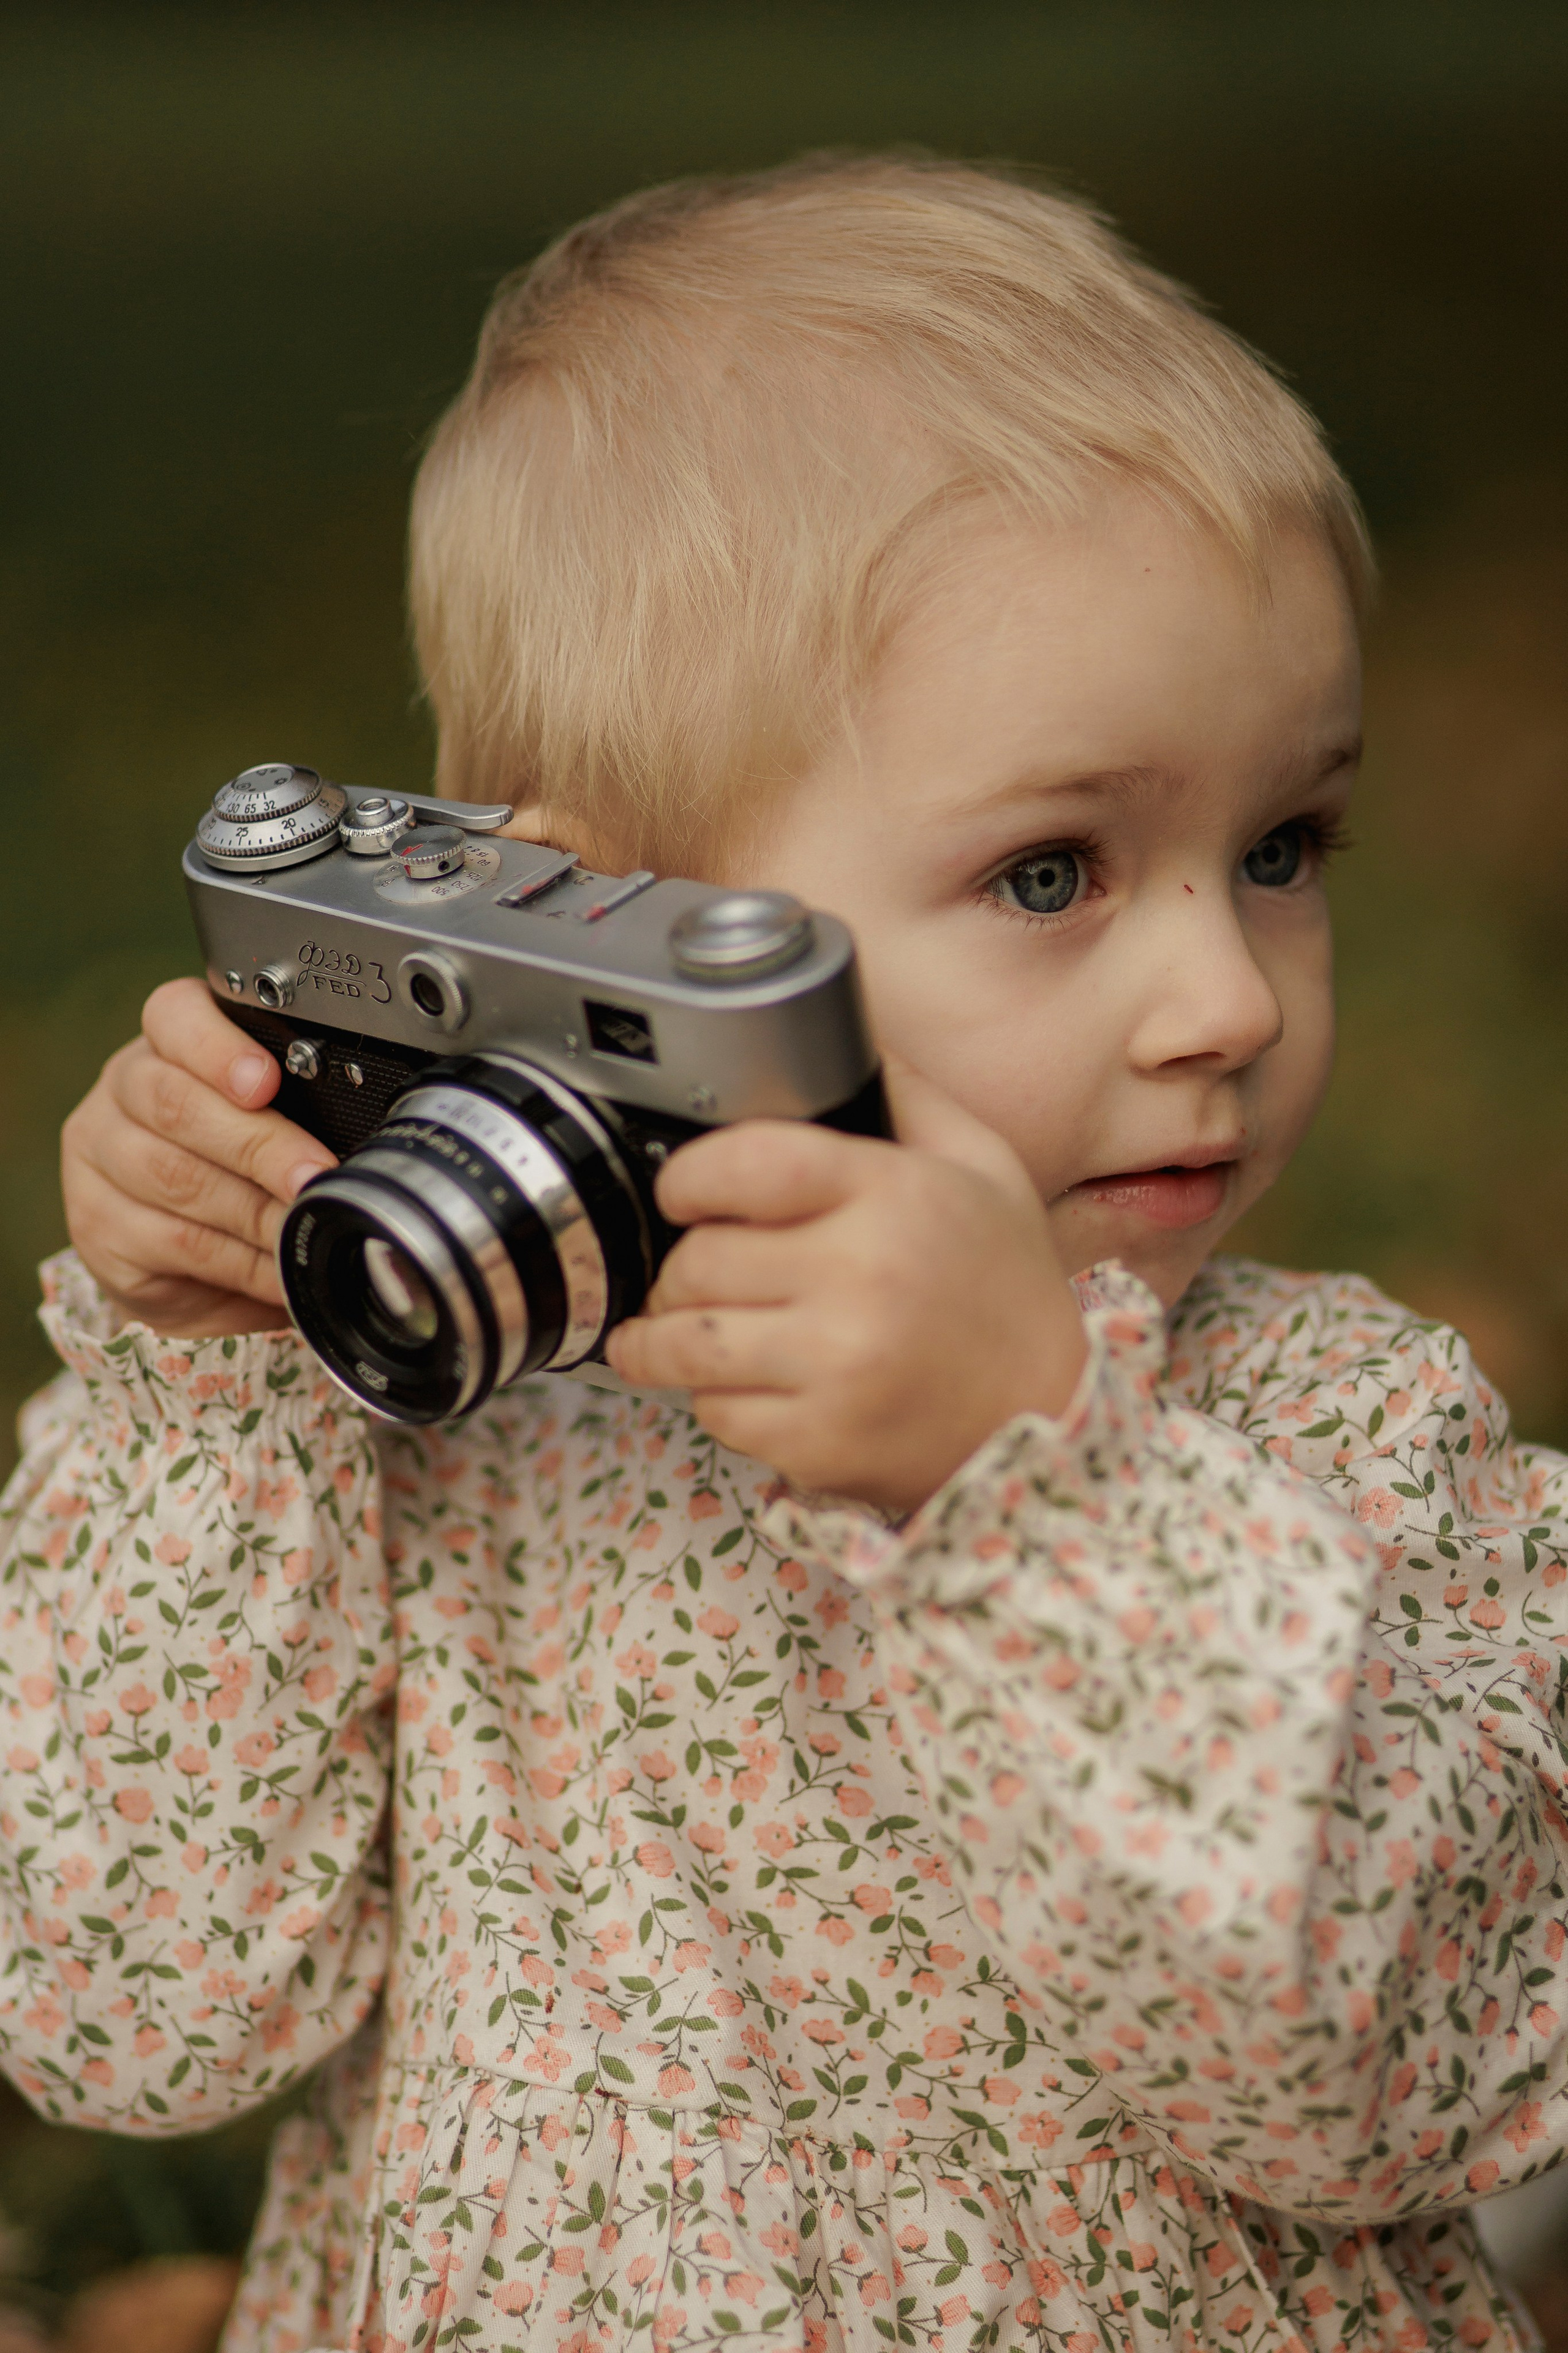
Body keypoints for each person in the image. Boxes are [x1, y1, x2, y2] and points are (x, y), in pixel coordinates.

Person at [1, 156, 1562, 2353]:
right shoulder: (435, 1455)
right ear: (584, 923)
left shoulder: (1337, 1444)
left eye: (1283, 842)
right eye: (1053, 873)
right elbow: (126, 2018)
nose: (1225, 995)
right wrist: (218, 1377)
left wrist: (1041, 1479)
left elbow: (1383, 2083)